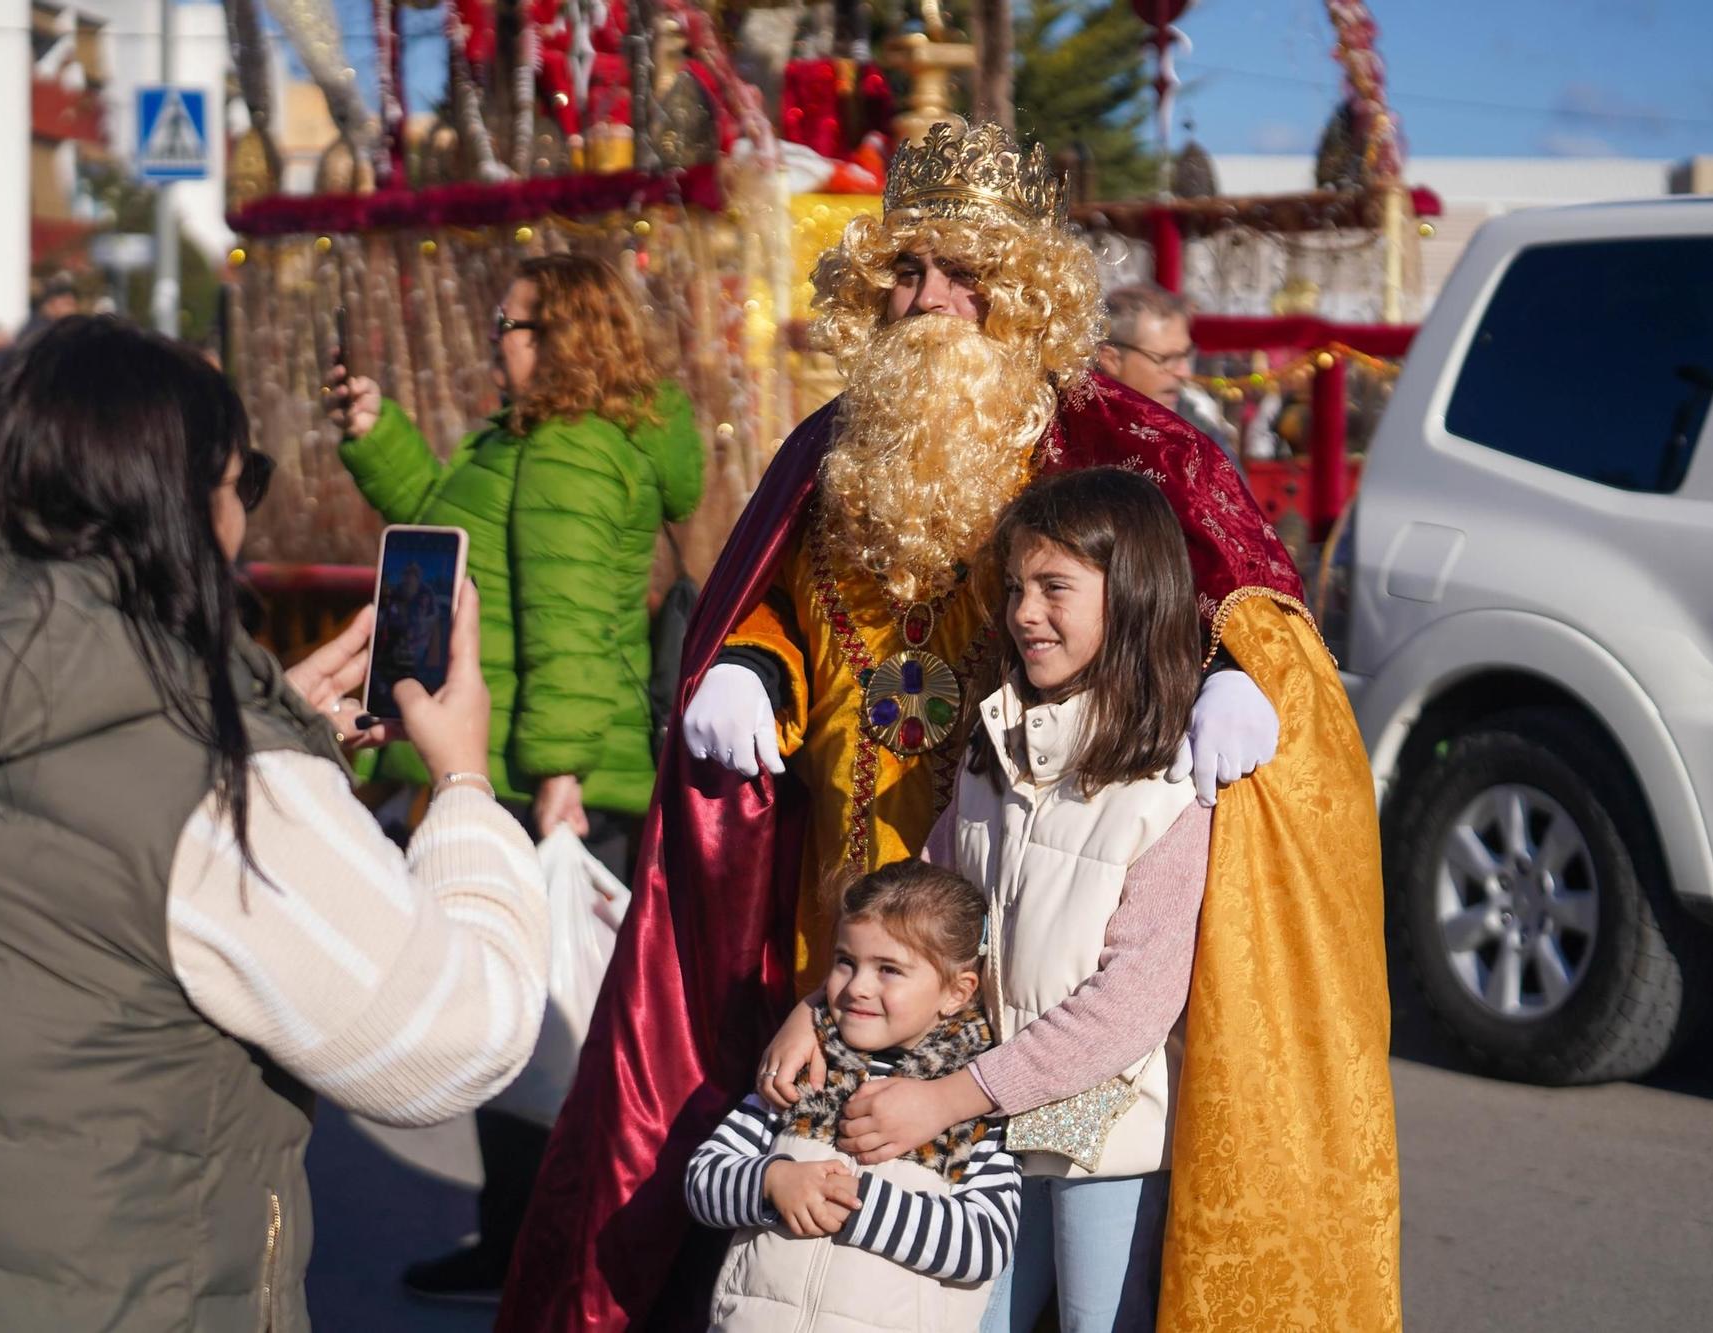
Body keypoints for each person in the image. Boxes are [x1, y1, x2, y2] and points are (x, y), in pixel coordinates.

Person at [497, 121, 1399, 1333]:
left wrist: (1242, 660)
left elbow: (1219, 572)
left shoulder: (1115, 446)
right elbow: (769, 598)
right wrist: (747, 671)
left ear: (1019, 291)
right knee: (838, 1246)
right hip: (853, 920)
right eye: (906, 274)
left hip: (1049, 1016)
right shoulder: (827, 451)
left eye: (961, 274)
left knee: (1049, 1268)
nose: (928, 302)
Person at [0, 317, 551, 1331]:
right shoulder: (216, 791)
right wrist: (464, 782)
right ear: (176, 498)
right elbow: (452, 1039)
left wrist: (277, 728)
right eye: (241, 480)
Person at [326, 251, 706, 1303]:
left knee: (550, 1019)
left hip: (537, 769)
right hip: (505, 758)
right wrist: (378, 439)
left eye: (517, 322)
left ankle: (562, 1254)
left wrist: (560, 778)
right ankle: (522, 1243)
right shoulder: (529, 439)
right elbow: (456, 530)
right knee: (529, 1017)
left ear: (569, 338)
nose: (500, 337)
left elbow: (572, 632)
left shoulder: (572, 453)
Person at [762, 467, 1209, 1331]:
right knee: (971, 1317)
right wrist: (817, 1008)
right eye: (1013, 588)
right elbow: (922, 922)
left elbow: (1131, 1005)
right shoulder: (992, 752)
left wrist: (954, 1095)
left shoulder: (1169, 786)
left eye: (1054, 588)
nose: (1024, 613)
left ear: (1135, 596)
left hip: (1097, 1129)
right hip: (987, 1120)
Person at [684, 859, 1021, 1330]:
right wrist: (772, 1181)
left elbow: (985, 1243)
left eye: (888, 970)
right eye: (845, 961)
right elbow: (703, 1179)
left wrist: (859, 1205)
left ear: (956, 992)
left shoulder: (964, 1105)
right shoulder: (805, 1071)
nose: (857, 987)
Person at [1096, 285, 1239, 468]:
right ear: (1111, 360)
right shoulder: (1072, 438)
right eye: (1168, 359)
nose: (1184, 372)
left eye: (1185, 355)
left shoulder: (1202, 438)